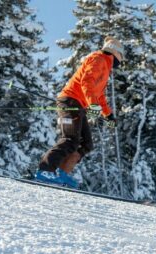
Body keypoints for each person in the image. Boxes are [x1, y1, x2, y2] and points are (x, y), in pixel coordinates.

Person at [35, 36, 124, 188]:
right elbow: (87, 83)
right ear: (116, 54)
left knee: (86, 143)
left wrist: (107, 114)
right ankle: (44, 170)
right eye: (120, 58)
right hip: (70, 100)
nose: (120, 62)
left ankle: (61, 173)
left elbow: (99, 95)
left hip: (79, 104)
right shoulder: (99, 59)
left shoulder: (105, 67)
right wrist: (94, 106)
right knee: (70, 139)